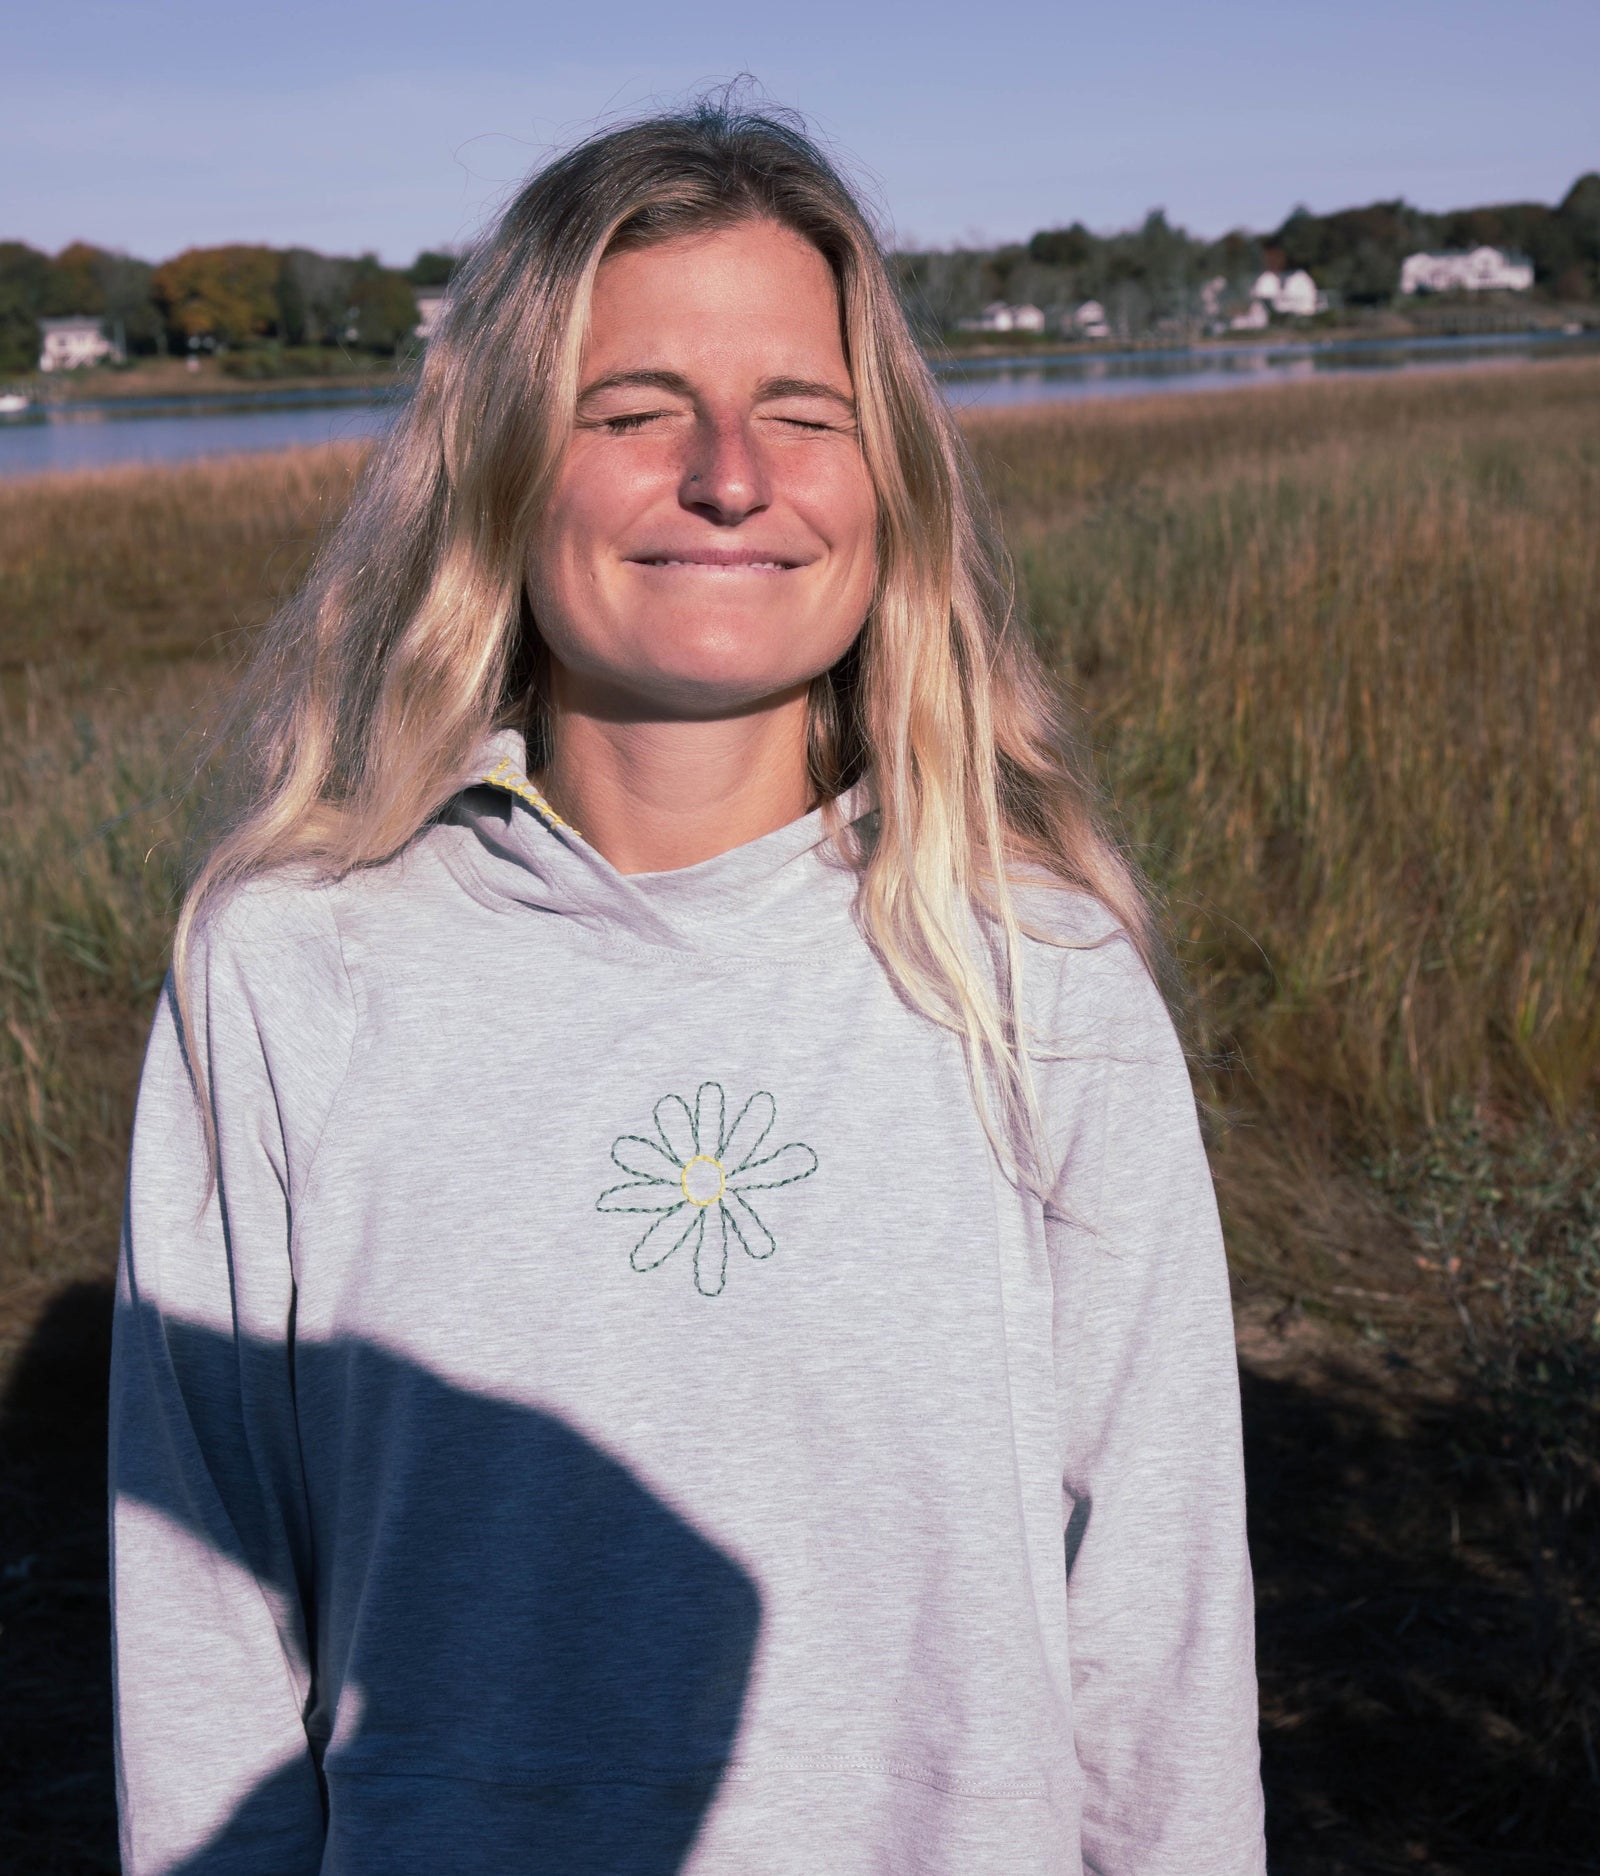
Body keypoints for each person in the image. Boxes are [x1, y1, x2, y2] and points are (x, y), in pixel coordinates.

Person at [110, 100, 1265, 1876]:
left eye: (805, 413)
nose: (733, 473)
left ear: (888, 484)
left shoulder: (1038, 972)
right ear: (501, 464)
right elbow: (199, 1623)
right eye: (635, 412)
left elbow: (1163, 1623)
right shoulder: (292, 957)